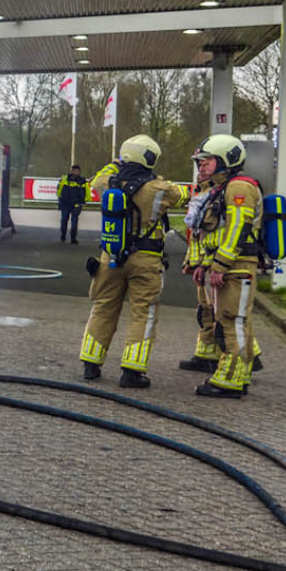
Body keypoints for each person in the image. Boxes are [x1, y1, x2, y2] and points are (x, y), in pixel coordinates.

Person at [78, 136, 186, 388]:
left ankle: (90, 364)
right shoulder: (159, 189)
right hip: (145, 260)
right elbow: (181, 196)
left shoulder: (107, 182)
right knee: (143, 313)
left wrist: (115, 164)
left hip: (110, 256)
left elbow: (96, 180)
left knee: (103, 307)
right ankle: (132, 371)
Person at [181, 134, 264, 398]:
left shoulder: (239, 187)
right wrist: (204, 265)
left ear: (227, 160)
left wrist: (219, 265)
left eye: (207, 161)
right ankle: (238, 374)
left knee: (232, 321)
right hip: (228, 265)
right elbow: (213, 234)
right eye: (200, 162)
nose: (202, 166)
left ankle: (230, 379)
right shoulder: (220, 188)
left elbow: (239, 228)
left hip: (237, 266)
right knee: (230, 321)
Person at [57, 165, 89, 243]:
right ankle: (63, 235)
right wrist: (59, 199)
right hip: (65, 203)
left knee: (74, 221)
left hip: (76, 203)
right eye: (73, 170)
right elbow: (59, 189)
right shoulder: (64, 178)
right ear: (71, 171)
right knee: (64, 220)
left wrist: (84, 201)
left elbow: (87, 191)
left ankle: (73, 238)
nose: (75, 172)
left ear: (79, 172)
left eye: (76, 171)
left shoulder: (82, 181)